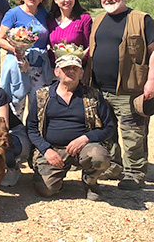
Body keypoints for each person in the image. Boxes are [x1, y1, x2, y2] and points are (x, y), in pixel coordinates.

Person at [89, 0, 154, 190]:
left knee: (133, 133)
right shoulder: (97, 20)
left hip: (130, 90)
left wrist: (151, 81)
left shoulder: (142, 19)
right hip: (100, 89)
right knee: (107, 131)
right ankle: (114, 166)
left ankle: (134, 173)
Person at [27, 54, 115, 200]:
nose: (71, 71)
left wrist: (86, 138)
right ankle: (55, 175)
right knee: (47, 190)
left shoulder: (93, 96)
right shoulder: (42, 96)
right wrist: (46, 149)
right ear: (57, 71)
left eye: (75, 68)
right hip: (53, 149)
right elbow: (31, 128)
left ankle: (90, 181)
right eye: (66, 68)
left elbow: (109, 127)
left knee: (99, 157)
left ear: (81, 73)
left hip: (84, 148)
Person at [0, 0, 52, 119]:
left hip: (38, 67)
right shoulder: (13, 14)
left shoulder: (45, 14)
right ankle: (16, 137)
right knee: (17, 104)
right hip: (18, 64)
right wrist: (16, 50)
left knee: (38, 106)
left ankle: (35, 137)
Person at [47, 0, 92, 70]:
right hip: (55, 70)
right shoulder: (50, 20)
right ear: (56, 0)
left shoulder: (84, 19)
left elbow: (89, 47)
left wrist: (79, 67)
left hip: (77, 70)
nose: (67, 0)